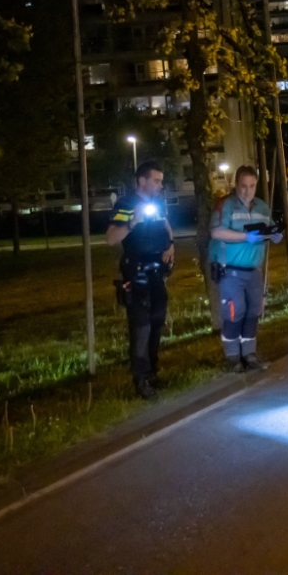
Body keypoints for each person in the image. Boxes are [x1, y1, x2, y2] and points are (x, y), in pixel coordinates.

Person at [106, 161, 174, 399]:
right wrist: (131, 222)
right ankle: (141, 378)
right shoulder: (125, 205)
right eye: (156, 180)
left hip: (157, 271)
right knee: (141, 325)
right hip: (136, 271)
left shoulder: (157, 204)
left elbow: (166, 226)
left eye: (161, 181)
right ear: (141, 181)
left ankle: (153, 373)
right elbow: (111, 238)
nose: (160, 185)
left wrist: (171, 245)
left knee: (156, 321)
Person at [210, 165, 283, 372]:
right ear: (236, 184)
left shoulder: (261, 207)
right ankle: (233, 357)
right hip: (230, 268)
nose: (247, 191)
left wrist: (275, 235)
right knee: (235, 311)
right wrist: (245, 237)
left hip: (253, 269)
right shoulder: (225, 205)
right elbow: (217, 232)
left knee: (254, 310)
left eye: (252, 186)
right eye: (243, 186)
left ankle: (249, 354)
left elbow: (268, 229)